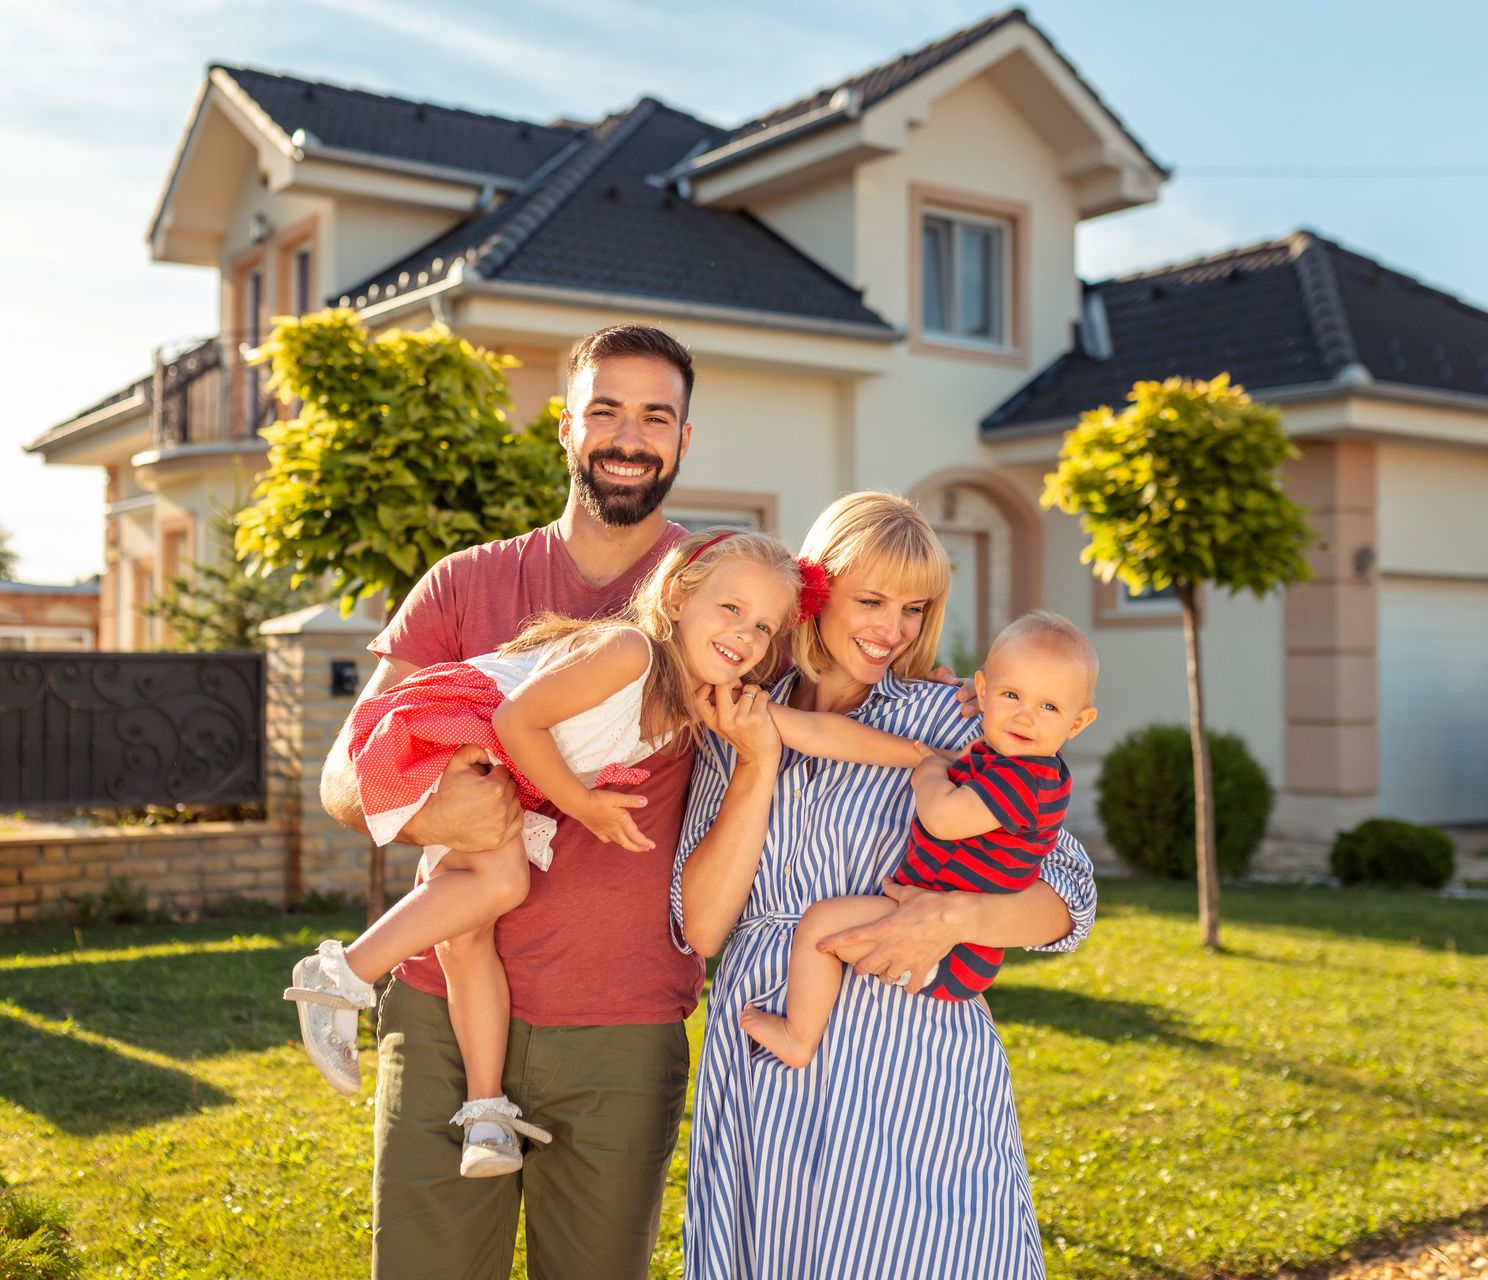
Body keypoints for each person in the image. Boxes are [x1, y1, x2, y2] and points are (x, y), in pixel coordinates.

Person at [291, 529, 931, 1179]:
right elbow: (515, 720)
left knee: (468, 932)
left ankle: (486, 1115)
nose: (745, 635)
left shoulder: (697, 698)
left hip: (504, 766)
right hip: (458, 731)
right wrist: (584, 803)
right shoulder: (628, 651)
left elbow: (814, 731)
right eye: (731, 609)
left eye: (765, 628)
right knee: (497, 888)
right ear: (678, 597)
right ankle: (341, 976)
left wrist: (924, 755)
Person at [317, 323, 703, 1280]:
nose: (629, 435)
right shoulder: (467, 581)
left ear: (684, 440)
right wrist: (441, 817)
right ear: (564, 426)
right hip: (443, 1009)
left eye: (656, 416)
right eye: (605, 409)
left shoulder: (717, 598)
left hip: (623, 1020)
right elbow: (340, 774)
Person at [673, 491, 1099, 1280]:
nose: (892, 628)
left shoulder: (955, 718)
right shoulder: (735, 721)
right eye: (870, 600)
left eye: (915, 607)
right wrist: (758, 762)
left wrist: (954, 914)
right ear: (816, 591)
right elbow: (700, 929)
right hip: (767, 1046)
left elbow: (1070, 898)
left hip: (906, 1058)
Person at [738, 609, 1099, 1067]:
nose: (1026, 717)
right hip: (938, 927)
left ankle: (798, 1037)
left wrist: (928, 771)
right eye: (1012, 695)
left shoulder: (1030, 776)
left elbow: (944, 819)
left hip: (953, 945)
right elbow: (826, 734)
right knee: (830, 931)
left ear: (1078, 722)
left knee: (820, 927)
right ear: (984, 690)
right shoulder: (1001, 758)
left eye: (1049, 707)